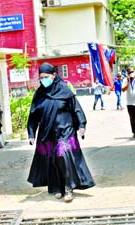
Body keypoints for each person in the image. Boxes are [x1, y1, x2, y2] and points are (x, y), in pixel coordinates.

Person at [27, 62, 95, 202]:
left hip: (65, 131)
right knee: (52, 160)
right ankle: (57, 187)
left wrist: (81, 125)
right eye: (41, 78)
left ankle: (69, 187)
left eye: (46, 77)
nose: (43, 80)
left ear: (54, 75)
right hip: (47, 133)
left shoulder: (65, 91)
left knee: (63, 155)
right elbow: (33, 115)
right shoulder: (39, 94)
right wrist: (31, 133)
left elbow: (76, 109)